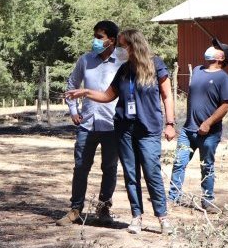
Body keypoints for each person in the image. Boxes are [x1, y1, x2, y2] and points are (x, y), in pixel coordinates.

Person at [66, 29, 177, 235]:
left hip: (149, 129)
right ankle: (136, 216)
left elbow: (167, 96)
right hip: (124, 129)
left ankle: (162, 217)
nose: (121, 50)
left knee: (152, 172)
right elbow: (108, 95)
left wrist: (170, 123)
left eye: (124, 45)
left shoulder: (156, 64)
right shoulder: (124, 70)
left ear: (134, 45)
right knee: (130, 174)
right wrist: (86, 92)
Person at [57, 20, 125, 226]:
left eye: (99, 37)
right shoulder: (85, 60)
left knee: (110, 167)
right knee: (80, 167)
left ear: (111, 40)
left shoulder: (124, 58)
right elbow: (72, 84)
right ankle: (75, 209)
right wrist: (73, 110)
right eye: (94, 36)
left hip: (113, 123)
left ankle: (104, 209)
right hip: (87, 123)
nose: (94, 40)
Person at [168, 43, 228, 213]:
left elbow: (226, 105)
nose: (210, 49)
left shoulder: (224, 78)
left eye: (216, 48)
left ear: (221, 57)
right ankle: (172, 197)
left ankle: (208, 200)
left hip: (209, 134)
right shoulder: (197, 70)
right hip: (188, 131)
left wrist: (208, 123)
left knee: (207, 166)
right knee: (178, 163)